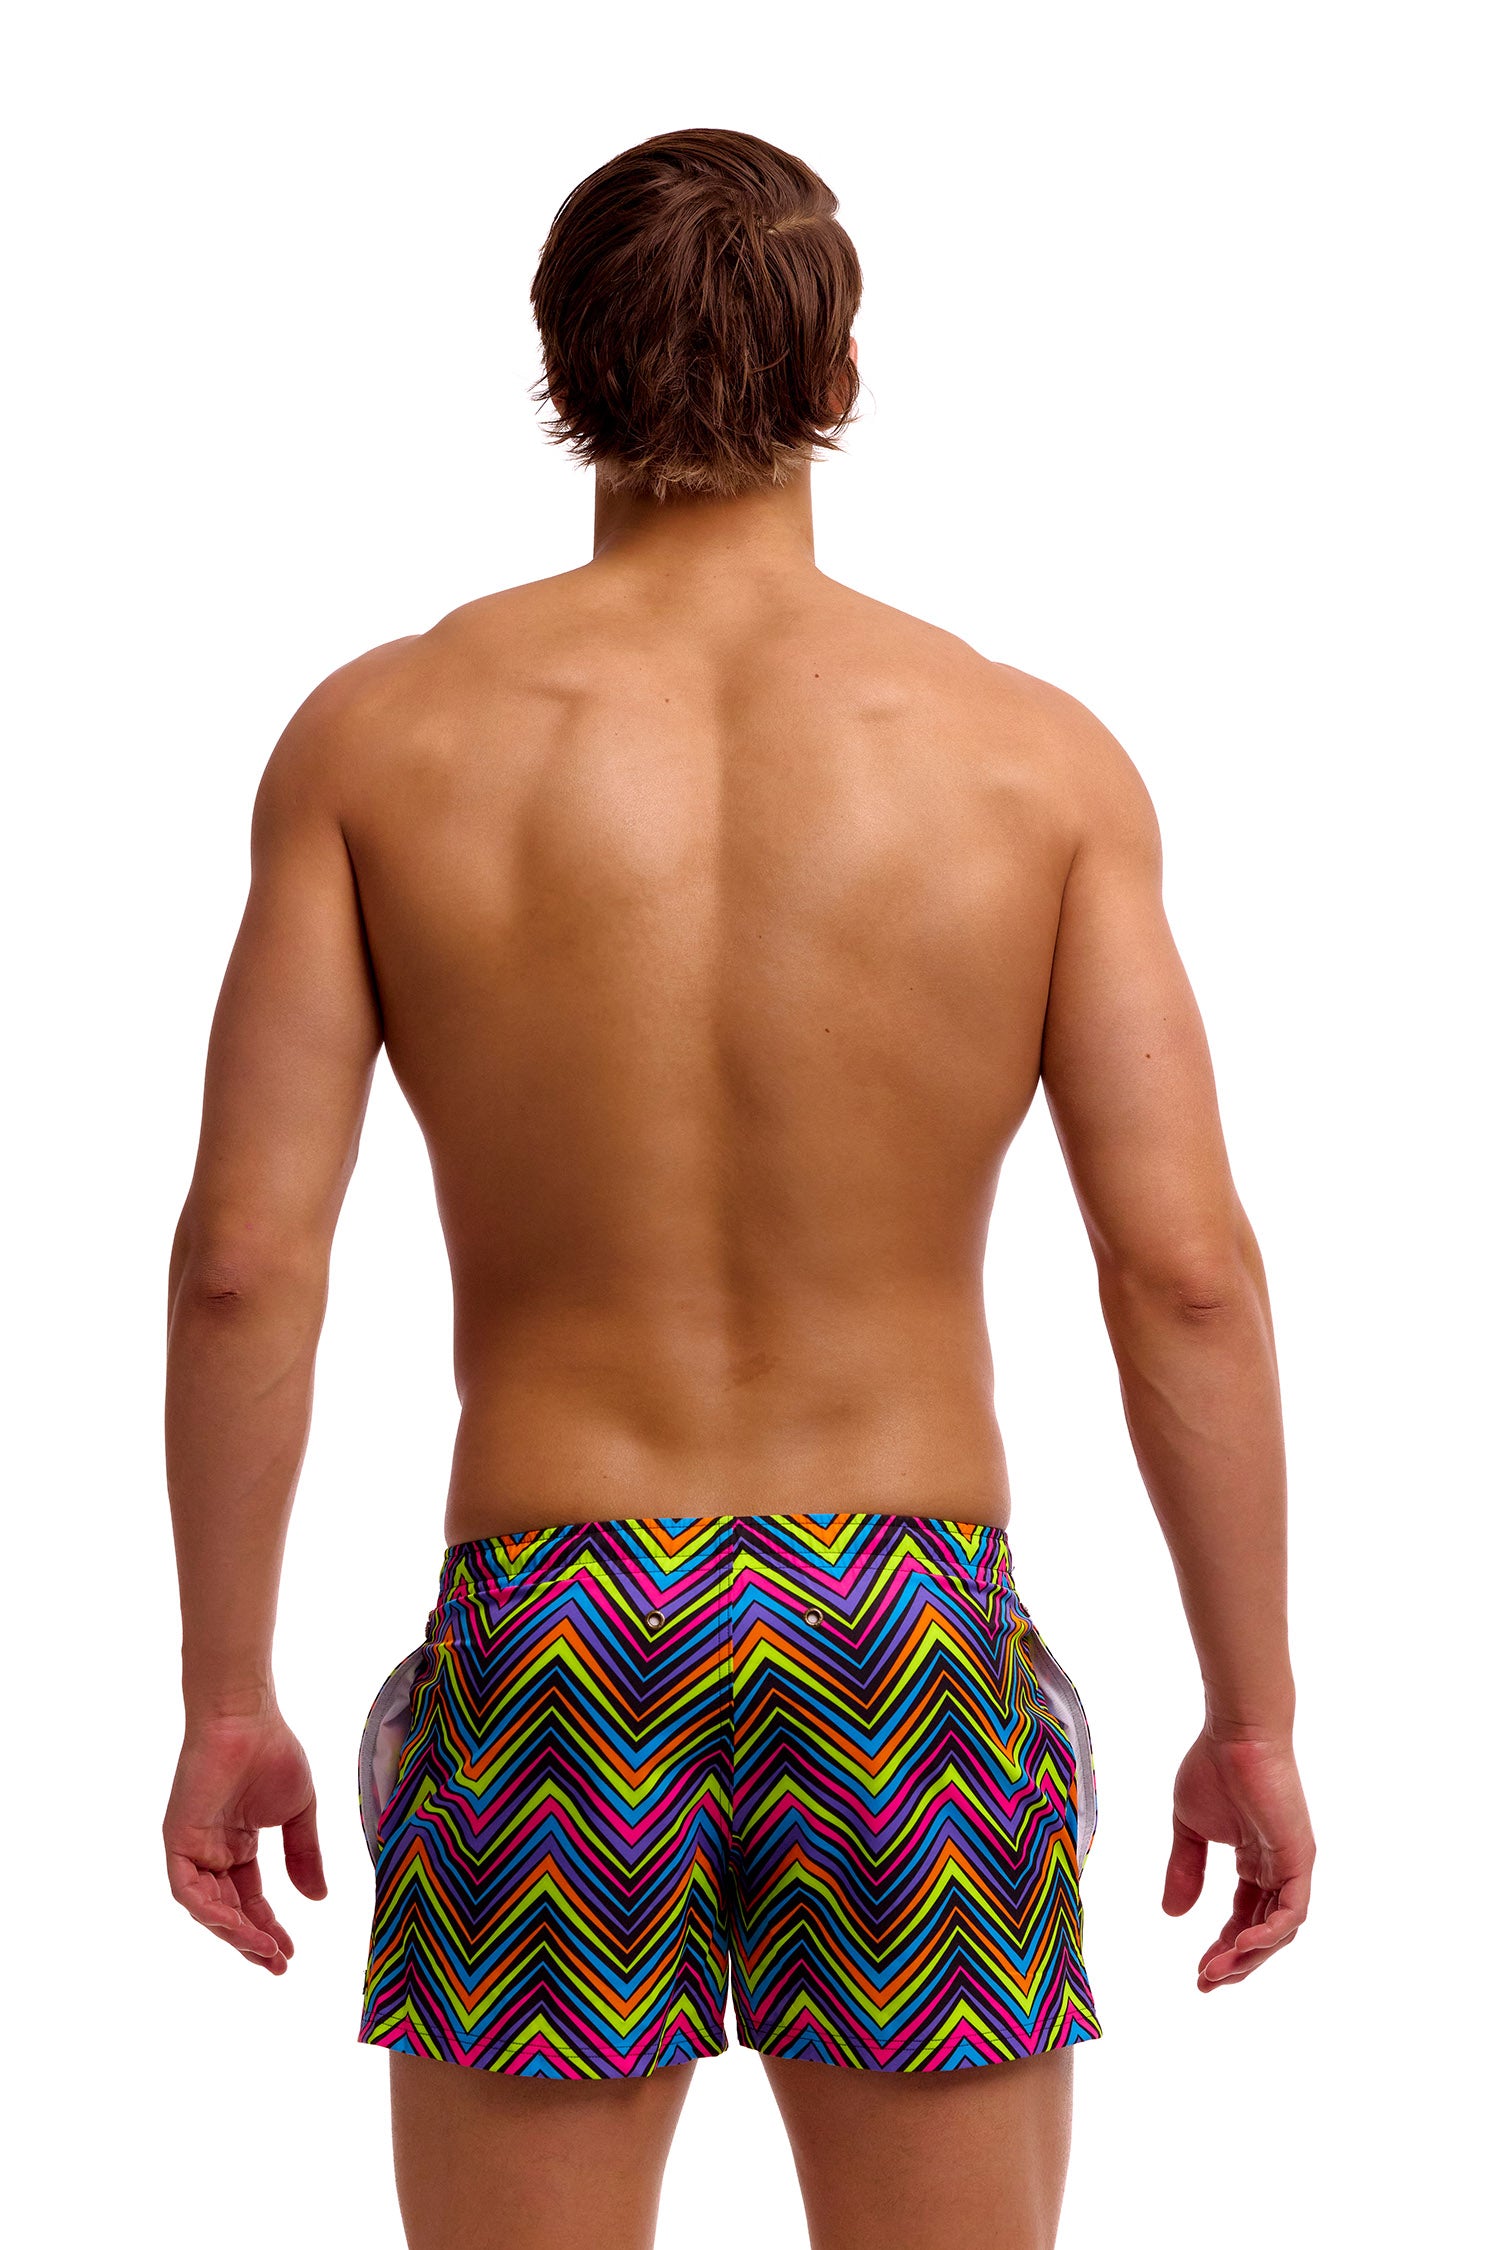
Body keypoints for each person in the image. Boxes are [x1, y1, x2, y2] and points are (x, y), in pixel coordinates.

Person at [162, 127, 1314, 2250]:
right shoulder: (1027, 759)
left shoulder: (382, 742)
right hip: (902, 1633)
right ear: (839, 372)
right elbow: (1181, 1275)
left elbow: (247, 1264)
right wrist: (1251, 1713)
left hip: (555, 1628)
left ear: (558, 360)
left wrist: (226, 1696)